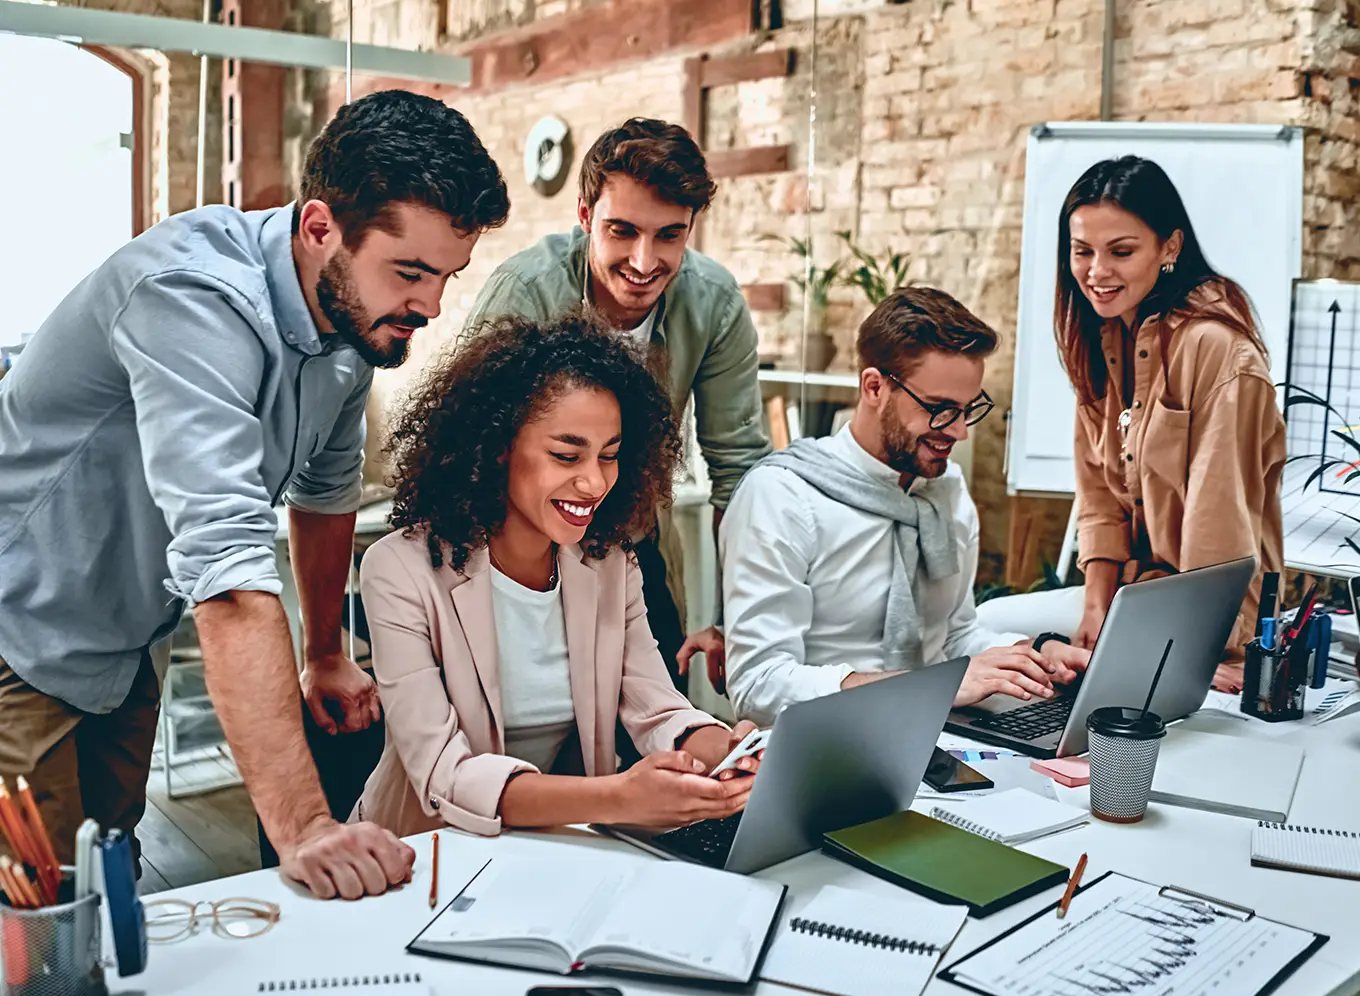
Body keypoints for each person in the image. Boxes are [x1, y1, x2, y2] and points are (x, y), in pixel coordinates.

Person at [0, 89, 510, 898]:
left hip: (128, 637)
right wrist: (306, 828)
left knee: (109, 878)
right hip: (19, 626)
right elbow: (229, 576)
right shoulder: (191, 298)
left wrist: (324, 654)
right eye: (409, 272)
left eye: (447, 275)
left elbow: (325, 489)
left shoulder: (350, 326)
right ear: (319, 228)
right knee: (38, 913)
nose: (429, 307)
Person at [352, 312, 760, 836]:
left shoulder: (610, 563)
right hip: (422, 856)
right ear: (497, 447)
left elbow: (657, 709)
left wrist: (729, 752)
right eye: (567, 455)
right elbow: (445, 777)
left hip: (559, 849)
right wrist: (617, 797)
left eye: (610, 456)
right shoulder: (400, 570)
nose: (594, 482)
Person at [461, 118, 771, 698]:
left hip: (634, 542)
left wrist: (741, 624)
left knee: (660, 725)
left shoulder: (714, 302)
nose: (644, 260)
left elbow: (742, 471)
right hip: (519, 552)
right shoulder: (524, 293)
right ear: (584, 216)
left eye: (670, 236)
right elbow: (472, 455)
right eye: (621, 230)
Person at [721, 287, 1092, 729]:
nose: (959, 433)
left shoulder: (945, 489)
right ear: (874, 387)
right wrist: (931, 687)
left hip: (942, 733)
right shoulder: (782, 496)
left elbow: (955, 636)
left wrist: (1036, 654)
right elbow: (757, 685)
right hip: (827, 743)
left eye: (967, 410)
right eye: (939, 410)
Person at [1057, 156, 1285, 691]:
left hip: (1211, 626)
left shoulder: (1217, 349)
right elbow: (1098, 498)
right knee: (1001, 634)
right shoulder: (1100, 339)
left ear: (1170, 248)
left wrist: (1199, 656)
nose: (1096, 272)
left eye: (1121, 251)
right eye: (1082, 251)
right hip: (1132, 606)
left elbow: (1218, 527)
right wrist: (1094, 612)